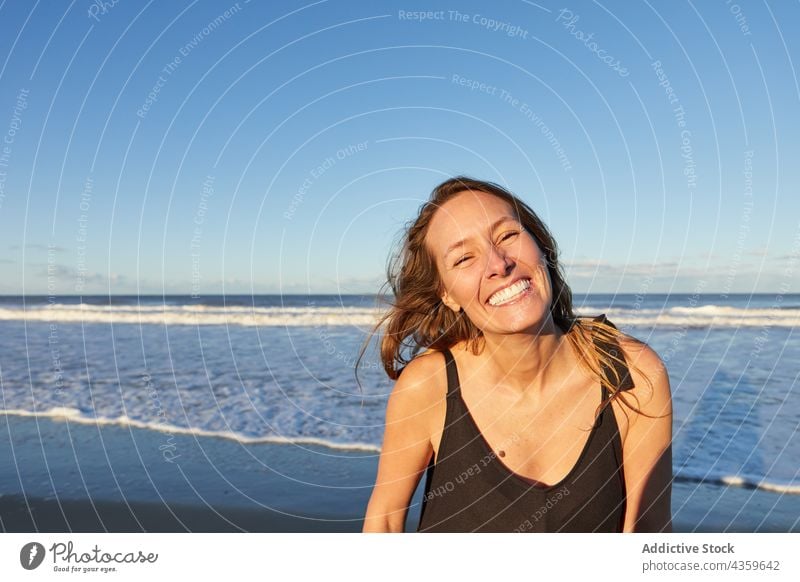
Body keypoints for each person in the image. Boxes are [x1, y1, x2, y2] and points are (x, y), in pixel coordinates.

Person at [362, 176, 672, 533]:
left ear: (540, 245)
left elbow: (649, 531)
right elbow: (382, 523)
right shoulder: (429, 385)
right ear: (446, 294)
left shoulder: (631, 373)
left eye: (508, 236)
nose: (499, 263)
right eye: (464, 258)